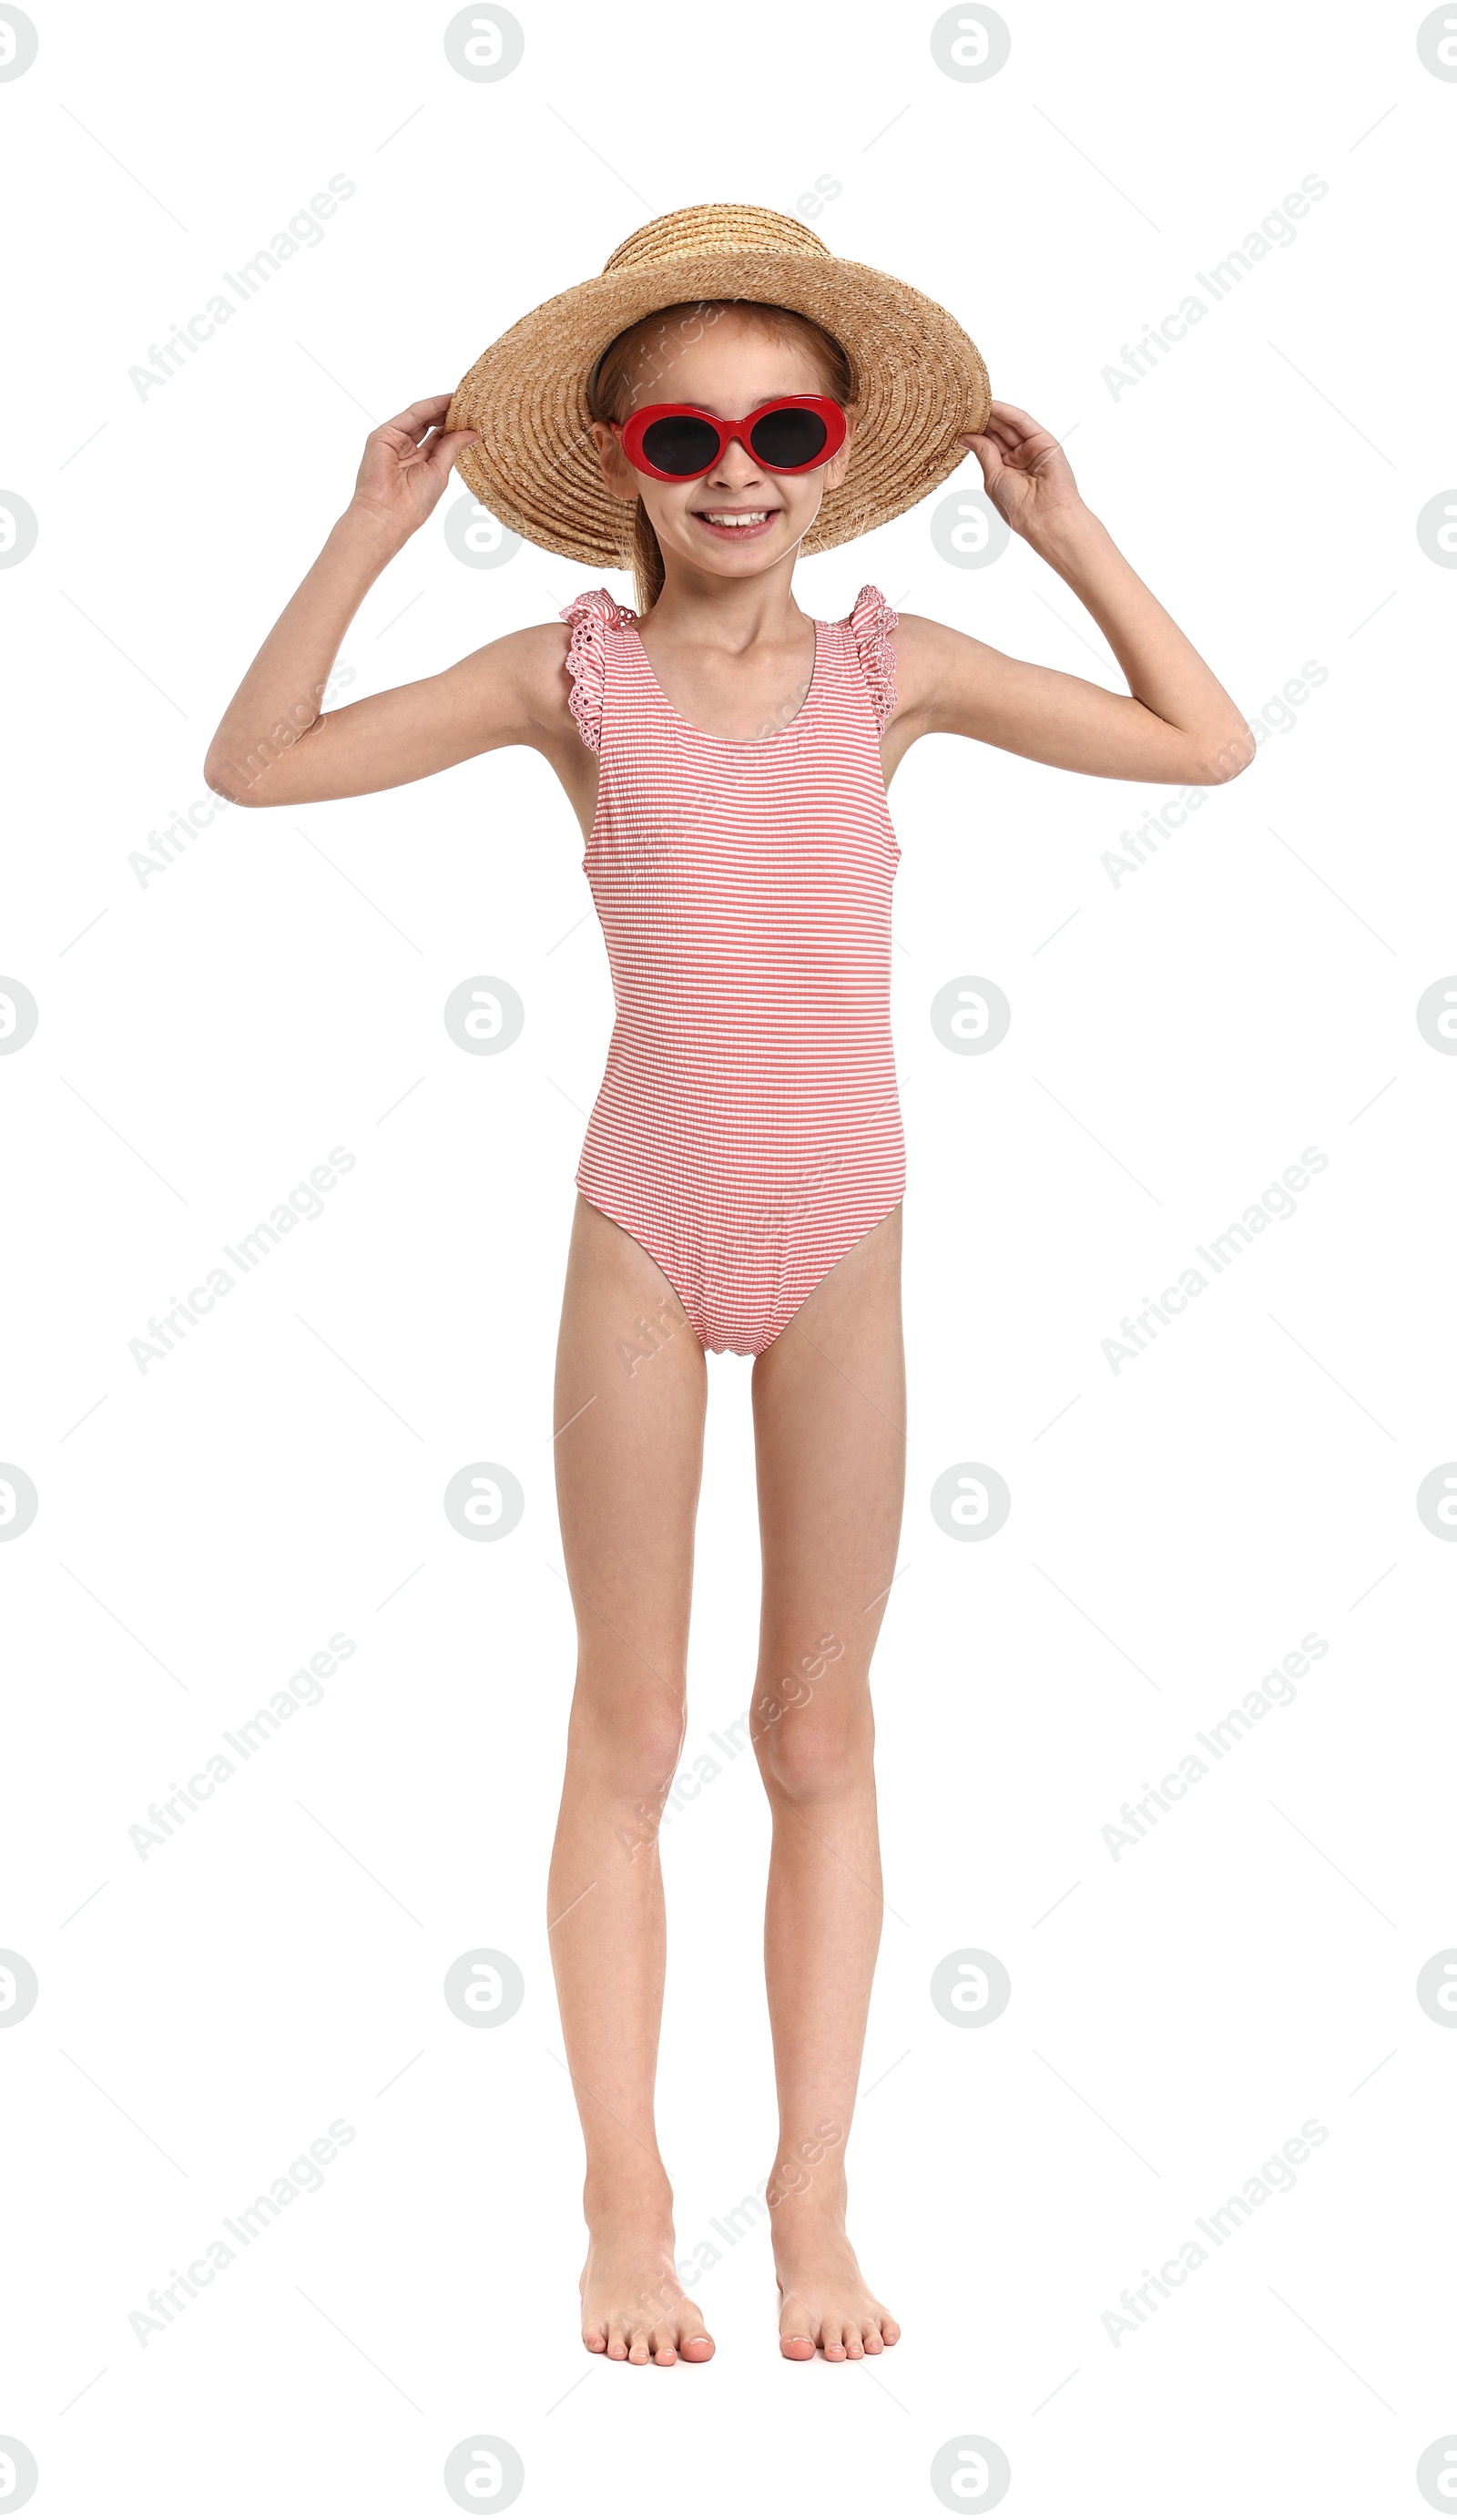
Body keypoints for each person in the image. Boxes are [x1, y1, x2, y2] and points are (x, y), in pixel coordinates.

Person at [204, 204, 1252, 2370]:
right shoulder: (561, 675)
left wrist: (1068, 533)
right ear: (621, 459)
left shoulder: (899, 667)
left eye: (779, 423)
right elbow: (259, 759)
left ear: (841, 444)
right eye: (683, 433)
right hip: (642, 1231)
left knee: (814, 1728)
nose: (734, 468)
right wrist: (364, 534)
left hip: (845, 1231)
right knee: (634, 1719)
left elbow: (1206, 744)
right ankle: (621, 2209)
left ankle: (812, 2206)